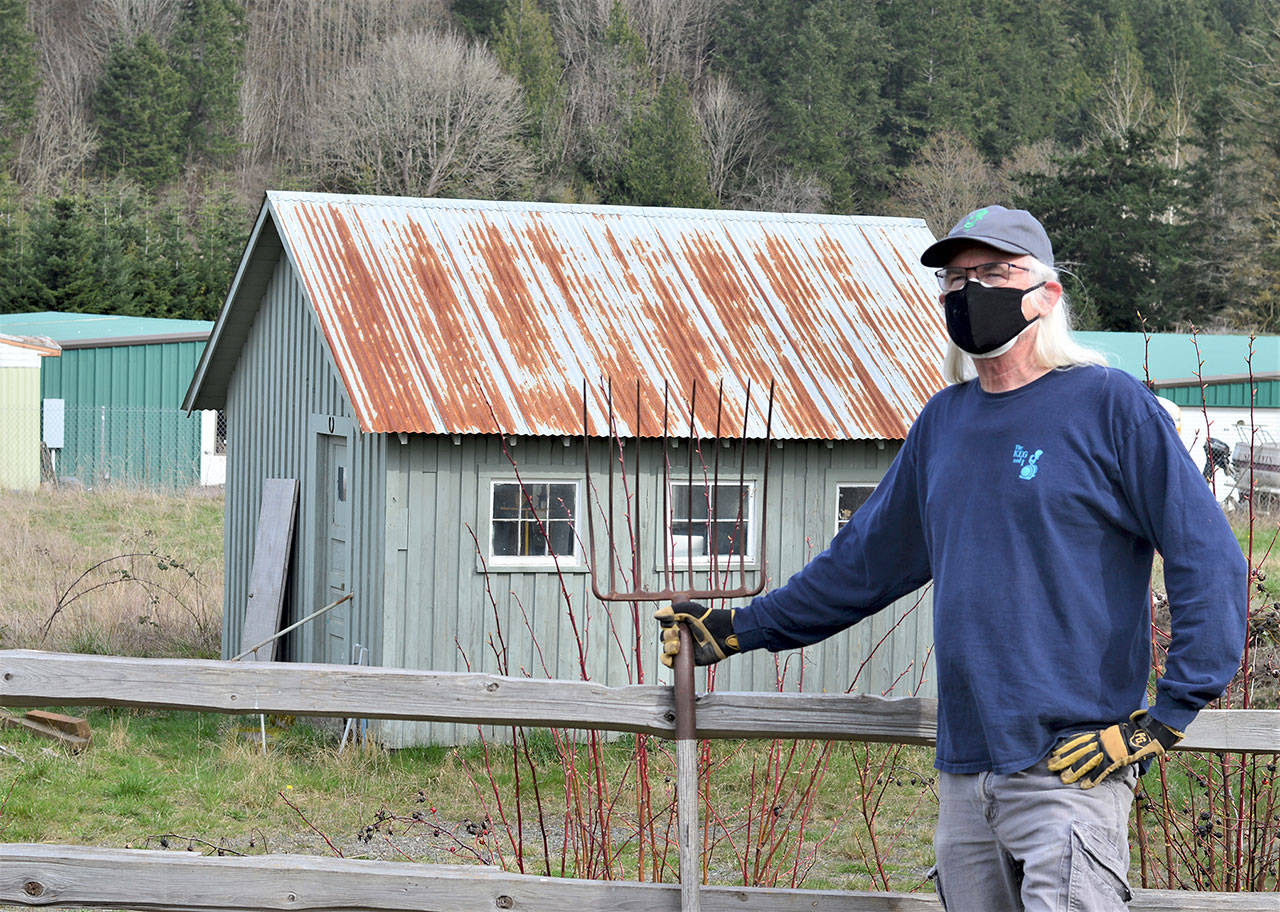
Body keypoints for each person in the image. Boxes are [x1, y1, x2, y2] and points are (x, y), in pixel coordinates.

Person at [655, 205, 1248, 911]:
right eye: (957, 278)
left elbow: (1206, 555)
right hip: (966, 773)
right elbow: (866, 563)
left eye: (996, 272)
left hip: (1071, 769)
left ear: (1047, 293)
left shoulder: (1109, 406)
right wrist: (739, 629)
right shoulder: (946, 421)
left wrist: (1167, 715)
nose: (972, 290)